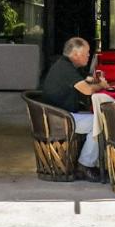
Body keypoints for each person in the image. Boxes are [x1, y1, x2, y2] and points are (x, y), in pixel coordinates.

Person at [40, 36, 108, 182]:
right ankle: (85, 165)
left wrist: (92, 79)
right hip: (60, 119)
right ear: (76, 54)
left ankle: (89, 162)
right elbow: (87, 90)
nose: (89, 55)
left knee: (96, 118)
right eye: (87, 53)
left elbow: (83, 80)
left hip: (58, 115)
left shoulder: (65, 65)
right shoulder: (65, 68)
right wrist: (101, 86)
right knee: (100, 121)